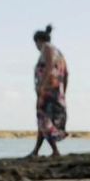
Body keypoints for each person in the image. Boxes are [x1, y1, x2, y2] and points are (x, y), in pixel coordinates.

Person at [28, 24, 69, 158]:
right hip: (56, 92)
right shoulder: (59, 53)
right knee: (43, 120)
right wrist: (64, 93)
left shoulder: (47, 48)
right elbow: (67, 74)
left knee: (43, 120)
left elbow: (50, 65)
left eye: (36, 43)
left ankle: (55, 151)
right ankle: (36, 151)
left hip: (48, 91)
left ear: (38, 41)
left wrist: (42, 86)